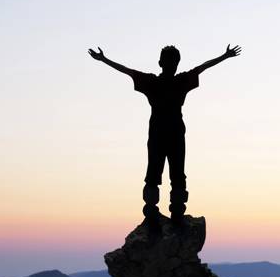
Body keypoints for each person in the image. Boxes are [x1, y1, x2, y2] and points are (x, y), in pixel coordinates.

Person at [88, 43, 242, 223]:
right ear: (168, 63)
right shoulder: (176, 81)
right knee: (172, 175)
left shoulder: (154, 82)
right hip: (170, 135)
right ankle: (171, 213)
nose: (171, 65)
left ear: (161, 63)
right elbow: (203, 67)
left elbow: (127, 71)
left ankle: (159, 212)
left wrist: (104, 59)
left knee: (160, 174)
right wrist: (224, 56)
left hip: (162, 135)